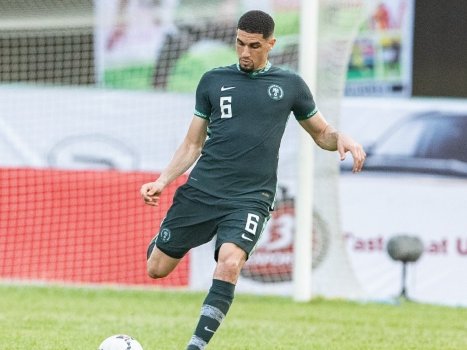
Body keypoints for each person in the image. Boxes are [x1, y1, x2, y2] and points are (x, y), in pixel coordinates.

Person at [139, 10, 366, 349]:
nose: (245, 52)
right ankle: (167, 238)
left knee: (229, 263)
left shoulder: (290, 85)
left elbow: (322, 133)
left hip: (250, 198)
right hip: (202, 190)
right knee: (156, 269)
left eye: (254, 46)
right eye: (240, 44)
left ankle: (195, 346)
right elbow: (192, 144)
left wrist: (341, 138)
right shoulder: (213, 81)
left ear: (271, 44)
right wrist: (163, 180)